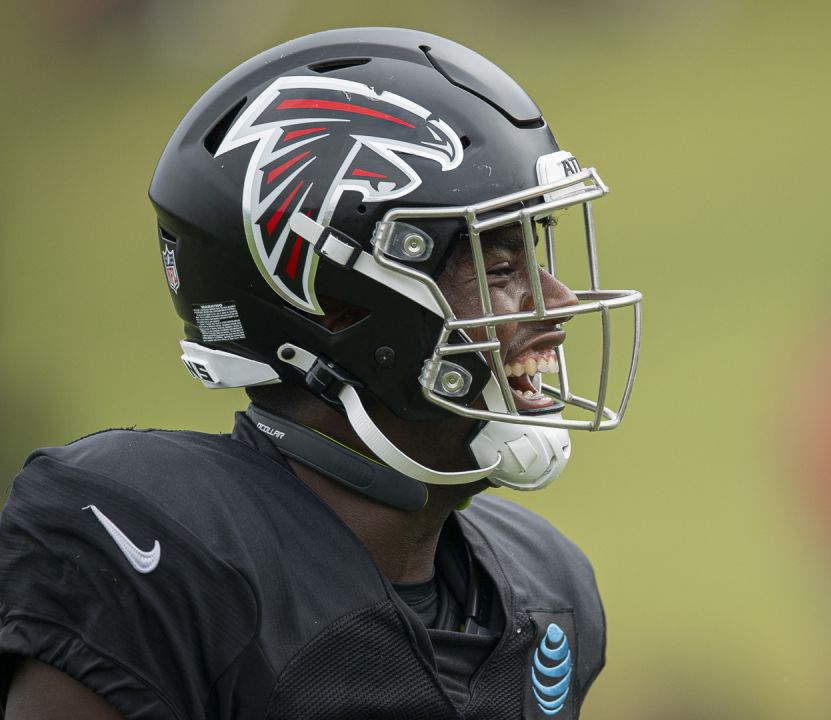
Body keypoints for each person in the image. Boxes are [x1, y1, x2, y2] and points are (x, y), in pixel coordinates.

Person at [0, 27, 642, 719]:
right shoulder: (163, 552)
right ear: (335, 303)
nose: (559, 301)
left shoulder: (547, 590)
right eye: (499, 267)